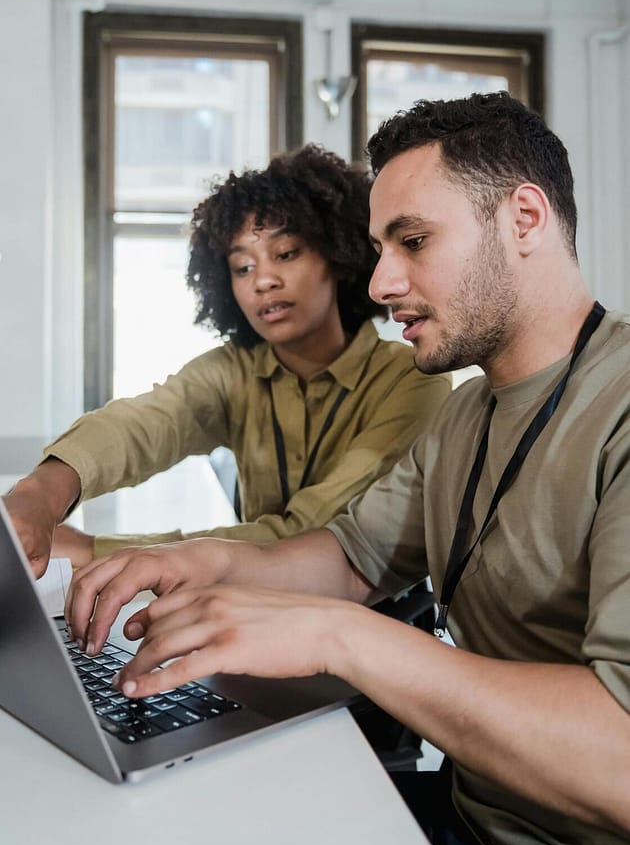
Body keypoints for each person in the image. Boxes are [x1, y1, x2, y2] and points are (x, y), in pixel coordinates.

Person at [46, 93, 630, 845]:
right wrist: (184, 563)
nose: (384, 281)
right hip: (473, 823)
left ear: (525, 218)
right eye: (380, 247)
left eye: (414, 241)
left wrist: (337, 634)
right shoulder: (467, 413)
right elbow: (350, 557)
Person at [6, 143, 450, 578]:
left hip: (372, 627)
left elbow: (311, 535)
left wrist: (95, 550)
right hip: (247, 615)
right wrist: (43, 490)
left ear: (338, 255)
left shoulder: (411, 380)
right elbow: (145, 423)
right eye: (242, 267)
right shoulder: (234, 370)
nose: (263, 281)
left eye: (286, 253)